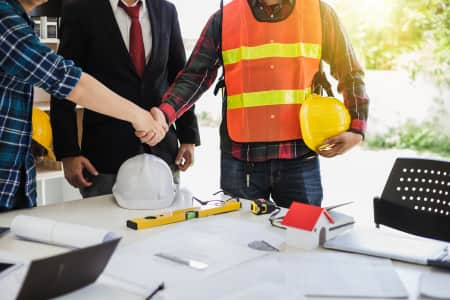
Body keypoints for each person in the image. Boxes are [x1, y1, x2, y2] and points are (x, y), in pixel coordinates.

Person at [147, 0, 370, 208]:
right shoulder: (225, 19)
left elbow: (350, 72)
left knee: (303, 242)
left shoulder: (319, 13)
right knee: (241, 244)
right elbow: (194, 77)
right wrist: (164, 114)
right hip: (241, 160)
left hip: (300, 158)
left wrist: (357, 130)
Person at [0, 0, 164, 211]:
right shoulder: (4, 18)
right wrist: (139, 116)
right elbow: (67, 81)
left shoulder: (21, 20)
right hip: (100, 156)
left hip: (14, 182)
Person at [50, 0, 200, 198]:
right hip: (104, 157)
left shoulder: (166, 10)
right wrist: (68, 152)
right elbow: (63, 85)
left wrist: (188, 137)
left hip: (162, 150)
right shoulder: (80, 10)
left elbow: (179, 79)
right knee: (105, 227)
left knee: (163, 227)